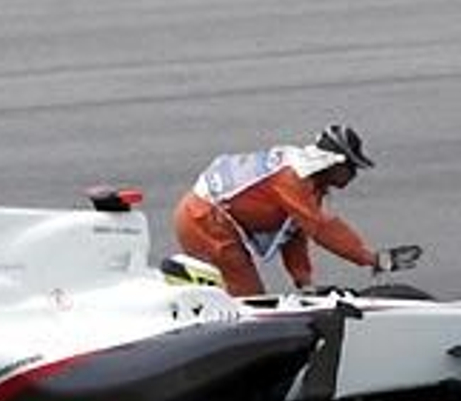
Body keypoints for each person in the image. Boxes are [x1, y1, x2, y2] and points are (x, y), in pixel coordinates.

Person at [173, 124, 414, 297]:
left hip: (206, 216)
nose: (354, 175)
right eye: (352, 167)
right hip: (205, 220)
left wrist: (304, 282)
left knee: (242, 297)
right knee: (248, 298)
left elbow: (292, 234)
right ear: (335, 163)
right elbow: (322, 228)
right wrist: (372, 258)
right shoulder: (293, 179)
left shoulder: (310, 183)